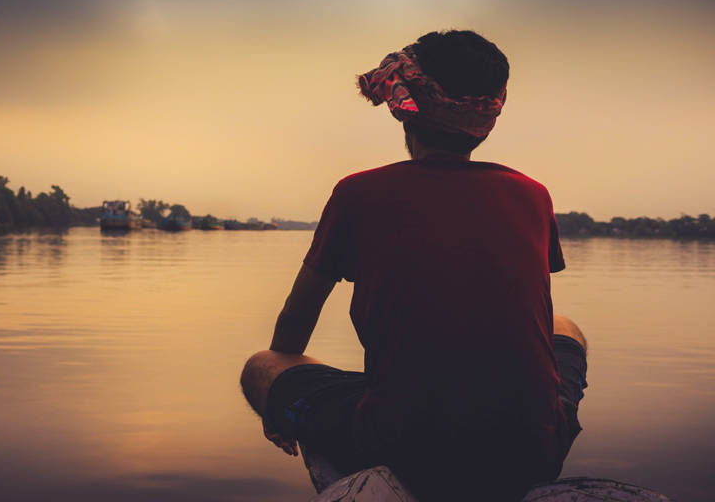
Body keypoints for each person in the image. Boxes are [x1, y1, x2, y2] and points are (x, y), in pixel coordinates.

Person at [240, 30, 588, 501]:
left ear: (404, 109)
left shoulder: (358, 193)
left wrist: (279, 406)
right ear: (489, 119)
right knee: (565, 326)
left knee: (262, 365)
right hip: (533, 449)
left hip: (403, 445)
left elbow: (297, 319)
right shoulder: (532, 195)